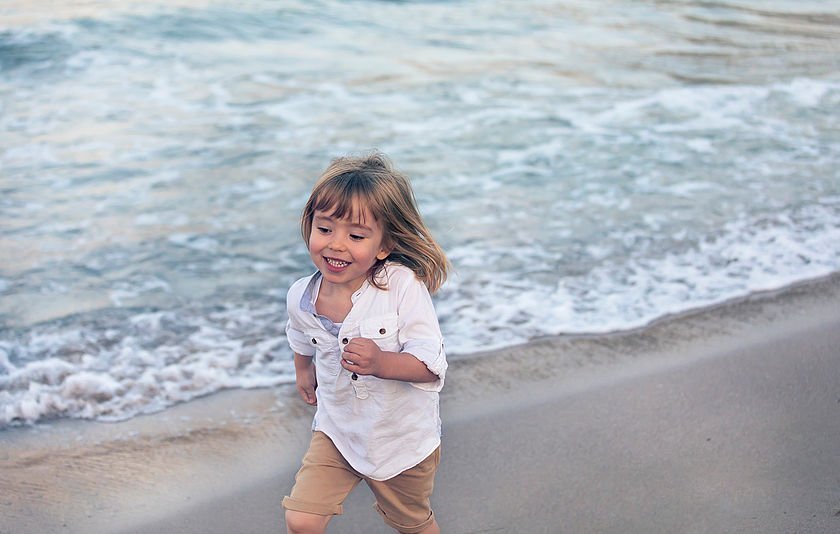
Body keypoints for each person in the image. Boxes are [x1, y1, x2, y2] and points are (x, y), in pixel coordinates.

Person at [282, 152, 449, 534]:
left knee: (413, 525)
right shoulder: (301, 295)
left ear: (384, 245)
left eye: (356, 236)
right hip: (338, 429)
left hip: (400, 439)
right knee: (302, 519)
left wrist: (381, 363)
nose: (336, 245)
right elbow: (299, 334)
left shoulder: (401, 286)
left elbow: (431, 364)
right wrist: (302, 370)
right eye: (324, 230)